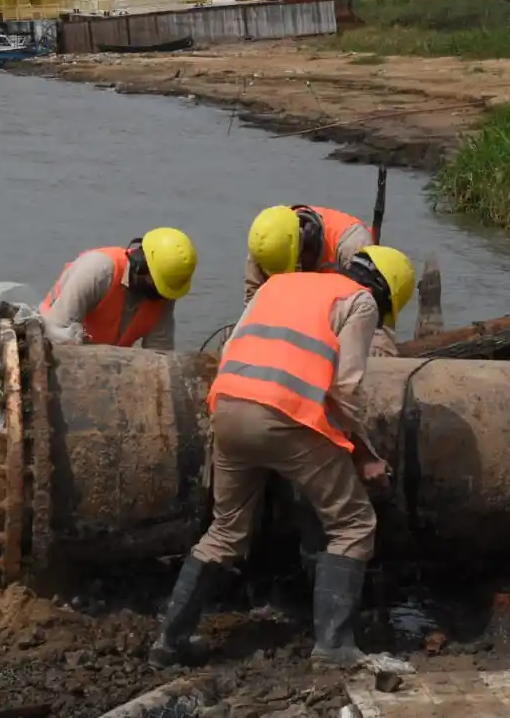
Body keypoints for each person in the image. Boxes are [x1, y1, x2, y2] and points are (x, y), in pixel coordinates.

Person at [148, 245, 417, 670]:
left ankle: (171, 639)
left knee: (226, 531)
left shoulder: (279, 284)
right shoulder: (359, 302)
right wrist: (364, 454)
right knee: (353, 524)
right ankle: (333, 648)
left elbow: (232, 348)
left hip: (228, 408)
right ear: (386, 294)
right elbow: (345, 389)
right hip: (288, 416)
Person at [245, 204, 397, 357]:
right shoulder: (266, 245)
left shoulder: (353, 246)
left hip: (341, 319)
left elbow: (375, 317)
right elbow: (252, 307)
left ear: (308, 242)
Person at [38, 228, 197, 350]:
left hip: (107, 364)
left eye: (164, 292)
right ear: (140, 264)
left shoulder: (162, 296)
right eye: (156, 287)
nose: (159, 298)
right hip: (52, 342)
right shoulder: (97, 271)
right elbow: (55, 332)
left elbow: (161, 354)